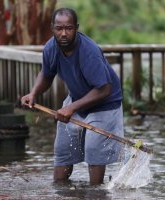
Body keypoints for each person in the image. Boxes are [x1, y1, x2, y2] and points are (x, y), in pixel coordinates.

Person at [21, 8, 124, 185]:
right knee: (62, 150)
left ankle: (95, 193)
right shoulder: (50, 48)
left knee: (93, 149)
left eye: (68, 28)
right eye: (59, 28)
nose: (63, 33)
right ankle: (61, 191)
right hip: (77, 98)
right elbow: (46, 75)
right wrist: (34, 93)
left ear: (76, 28)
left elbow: (104, 89)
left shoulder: (89, 52)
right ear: (52, 28)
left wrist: (71, 108)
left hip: (105, 103)